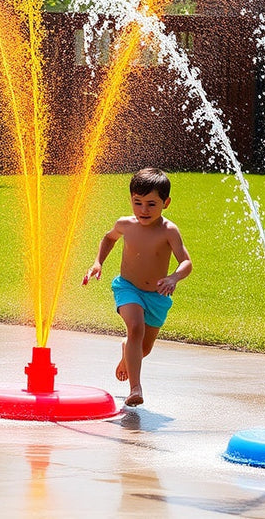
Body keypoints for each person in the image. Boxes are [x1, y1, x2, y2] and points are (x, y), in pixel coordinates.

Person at [83, 167, 192, 407]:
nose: (144, 210)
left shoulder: (169, 231)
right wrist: (97, 263)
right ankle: (136, 388)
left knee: (144, 348)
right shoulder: (125, 224)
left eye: (152, 204)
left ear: (166, 203)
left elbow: (186, 261)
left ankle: (126, 353)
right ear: (131, 200)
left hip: (156, 296)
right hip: (128, 288)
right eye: (138, 202)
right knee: (135, 327)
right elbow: (109, 238)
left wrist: (173, 277)